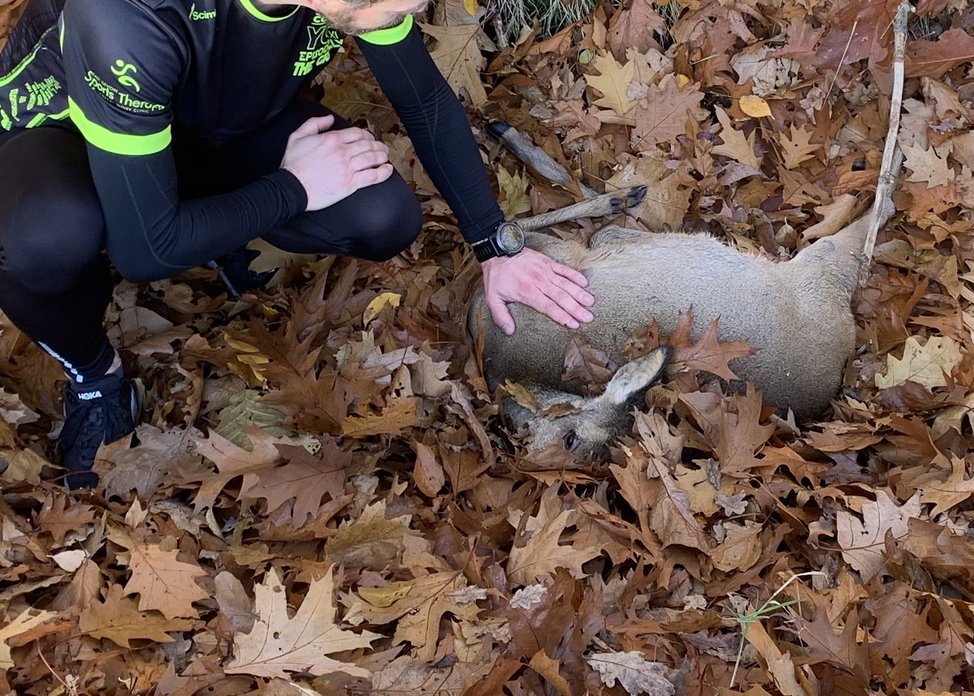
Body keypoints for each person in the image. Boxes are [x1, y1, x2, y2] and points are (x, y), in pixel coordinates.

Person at [0, 0, 596, 489]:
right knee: (44, 237)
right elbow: (145, 251)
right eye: (396, 7)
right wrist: (292, 189)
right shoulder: (125, 15)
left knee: (380, 213)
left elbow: (422, 97)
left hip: (212, 124)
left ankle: (217, 227)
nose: (413, 11)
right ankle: (94, 374)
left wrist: (495, 244)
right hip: (66, 142)